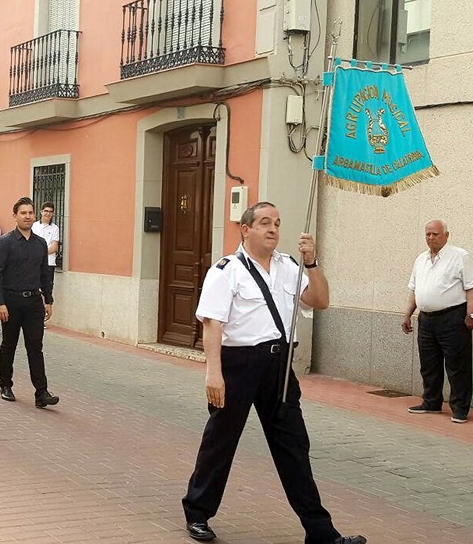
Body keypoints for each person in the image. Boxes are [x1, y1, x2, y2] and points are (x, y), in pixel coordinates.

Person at [180, 202, 365, 544]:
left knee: (294, 446)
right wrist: (213, 374)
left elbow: (320, 300)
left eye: (277, 223)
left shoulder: (291, 267)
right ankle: (198, 512)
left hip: (279, 368)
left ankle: (320, 531)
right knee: (220, 443)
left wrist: (312, 263)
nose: (273, 229)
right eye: (265, 222)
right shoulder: (226, 270)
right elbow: (212, 324)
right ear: (245, 229)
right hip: (238, 366)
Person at [0, 197, 59, 408]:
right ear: (15, 216)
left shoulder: (40, 244)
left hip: (34, 303)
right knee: (9, 344)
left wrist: (48, 299)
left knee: (35, 348)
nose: (27, 216)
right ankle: (5, 385)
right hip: (10, 302)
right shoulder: (4, 242)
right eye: (23, 213)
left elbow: (45, 274)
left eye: (30, 213)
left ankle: (41, 392)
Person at [402, 219, 473, 424]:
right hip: (426, 319)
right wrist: (407, 314)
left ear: (446, 235)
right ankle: (431, 401)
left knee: (457, 365)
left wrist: (470, 315)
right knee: (429, 364)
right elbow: (414, 290)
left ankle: (460, 408)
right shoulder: (421, 259)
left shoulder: (460, 256)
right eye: (428, 234)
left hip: (452, 318)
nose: (431, 238)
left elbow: (470, 288)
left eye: (435, 234)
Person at [31, 202, 60, 288]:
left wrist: (39, 253)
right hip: (34, 262)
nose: (48, 213)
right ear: (41, 212)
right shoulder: (33, 226)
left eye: (50, 211)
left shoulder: (55, 228)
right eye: (46, 211)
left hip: (49, 263)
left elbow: (54, 247)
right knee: (34, 287)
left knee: (47, 288)